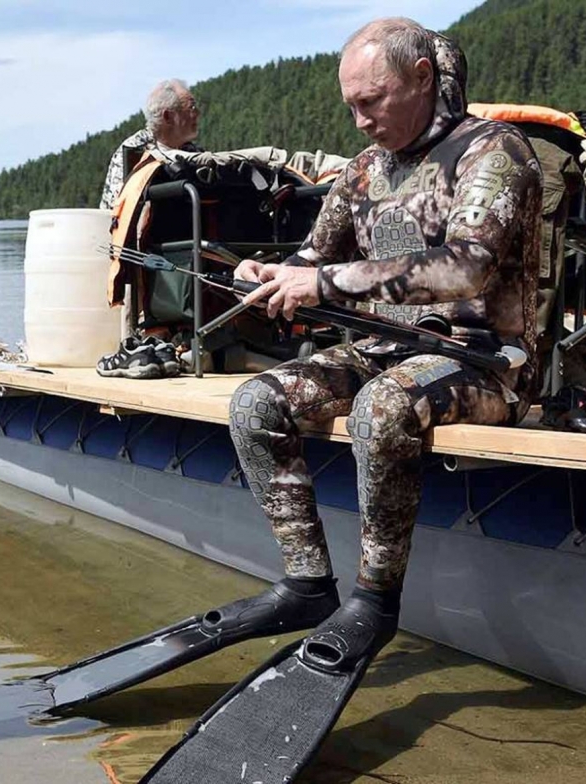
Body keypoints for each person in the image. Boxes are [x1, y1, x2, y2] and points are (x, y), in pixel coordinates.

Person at [228, 18, 543, 672]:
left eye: (371, 102)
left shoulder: (494, 150)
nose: (359, 121)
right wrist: (267, 273)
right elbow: (316, 254)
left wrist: (325, 281)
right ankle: (307, 584)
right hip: (382, 350)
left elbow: (466, 266)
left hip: (483, 363)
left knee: (381, 407)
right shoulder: (367, 170)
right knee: (257, 402)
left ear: (422, 78)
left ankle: (374, 603)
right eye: (350, 107)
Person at [99, 79, 201, 211]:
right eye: (191, 107)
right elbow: (118, 209)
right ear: (168, 116)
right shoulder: (133, 151)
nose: (197, 113)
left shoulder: (192, 151)